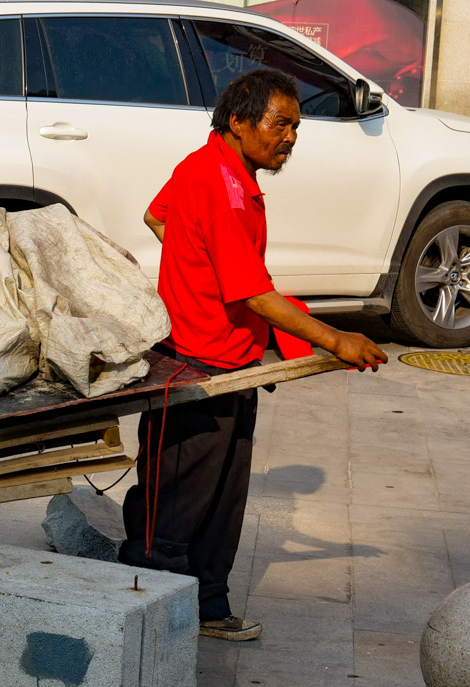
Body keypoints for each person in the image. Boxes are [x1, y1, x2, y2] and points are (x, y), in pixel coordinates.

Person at [119, 68, 388, 641]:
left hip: (232, 359)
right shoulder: (222, 187)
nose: (289, 137)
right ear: (239, 122)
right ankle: (147, 615)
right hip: (197, 360)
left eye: (296, 126)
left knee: (224, 496)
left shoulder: (210, 165)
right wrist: (335, 338)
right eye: (280, 124)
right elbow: (253, 292)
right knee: (178, 502)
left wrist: (197, 263)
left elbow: (157, 217)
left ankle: (208, 606)